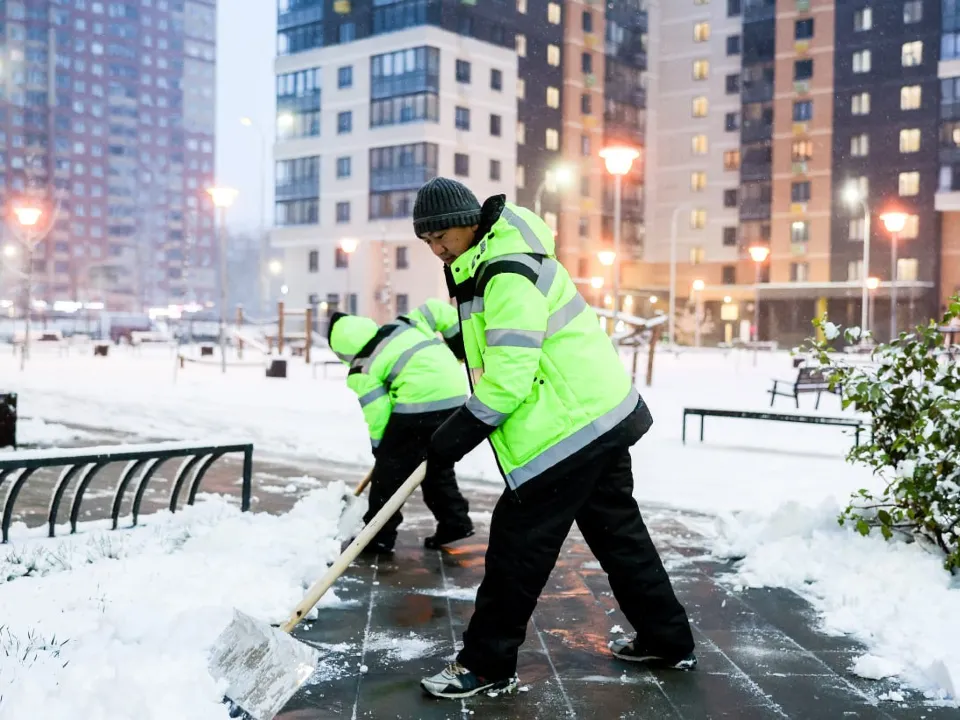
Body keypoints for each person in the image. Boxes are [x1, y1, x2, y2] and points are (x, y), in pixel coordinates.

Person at [410, 177, 696, 699]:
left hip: (567, 430)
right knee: (620, 537)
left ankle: (486, 663)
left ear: (469, 221)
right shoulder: (492, 259)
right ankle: (667, 638)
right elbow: (497, 348)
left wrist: (454, 436)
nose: (435, 250)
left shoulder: (506, 271)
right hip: (598, 416)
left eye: (440, 236)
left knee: (517, 550)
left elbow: (510, 379)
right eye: (426, 242)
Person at [327, 304, 474, 553]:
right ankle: (455, 521)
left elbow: (379, 411)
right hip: (457, 397)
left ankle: (378, 537)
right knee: (434, 465)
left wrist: (382, 450)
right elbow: (439, 311)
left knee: (389, 475)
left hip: (419, 406)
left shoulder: (362, 368)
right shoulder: (405, 323)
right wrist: (458, 345)